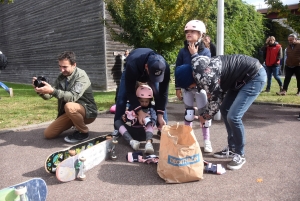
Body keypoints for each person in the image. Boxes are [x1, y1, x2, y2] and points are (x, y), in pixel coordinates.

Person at [190, 53, 267, 170]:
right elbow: (216, 96)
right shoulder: (199, 67)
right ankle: (232, 148)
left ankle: (240, 154)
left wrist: (205, 116)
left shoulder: (206, 76)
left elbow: (215, 101)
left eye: (189, 86)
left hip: (254, 76)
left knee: (234, 116)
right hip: (238, 79)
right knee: (225, 109)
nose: (190, 88)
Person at [33, 51, 98, 143]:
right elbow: (49, 96)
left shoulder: (81, 76)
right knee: (48, 134)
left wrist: (52, 91)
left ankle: (83, 132)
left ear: (74, 65)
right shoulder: (61, 77)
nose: (61, 70)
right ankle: (75, 122)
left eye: (65, 67)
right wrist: (41, 90)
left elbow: (72, 97)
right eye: (60, 66)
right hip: (70, 112)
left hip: (88, 112)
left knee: (69, 106)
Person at [175, 20, 213, 153]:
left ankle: (206, 141)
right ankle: (187, 139)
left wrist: (194, 54)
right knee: (189, 114)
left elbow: (205, 70)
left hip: (200, 88)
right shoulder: (182, 51)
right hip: (187, 88)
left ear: (200, 34)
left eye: (192, 31)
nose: (188, 33)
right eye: (187, 31)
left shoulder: (206, 51)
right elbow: (178, 70)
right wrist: (178, 87)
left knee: (204, 116)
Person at [114, 48, 170, 135]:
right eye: (153, 76)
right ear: (146, 66)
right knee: (122, 97)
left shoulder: (165, 67)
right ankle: (118, 128)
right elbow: (130, 91)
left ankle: (162, 126)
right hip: (134, 68)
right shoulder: (132, 64)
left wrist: (160, 115)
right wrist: (139, 112)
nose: (153, 79)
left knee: (158, 94)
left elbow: (163, 93)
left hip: (149, 69)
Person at [114, 84, 156, 154]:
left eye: (146, 102)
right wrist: (125, 118)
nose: (144, 103)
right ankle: (132, 142)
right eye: (142, 101)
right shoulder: (133, 107)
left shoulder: (151, 109)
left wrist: (147, 119)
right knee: (117, 122)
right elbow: (128, 119)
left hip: (144, 133)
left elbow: (154, 120)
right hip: (133, 132)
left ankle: (148, 144)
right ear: (137, 100)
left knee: (150, 122)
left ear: (150, 101)